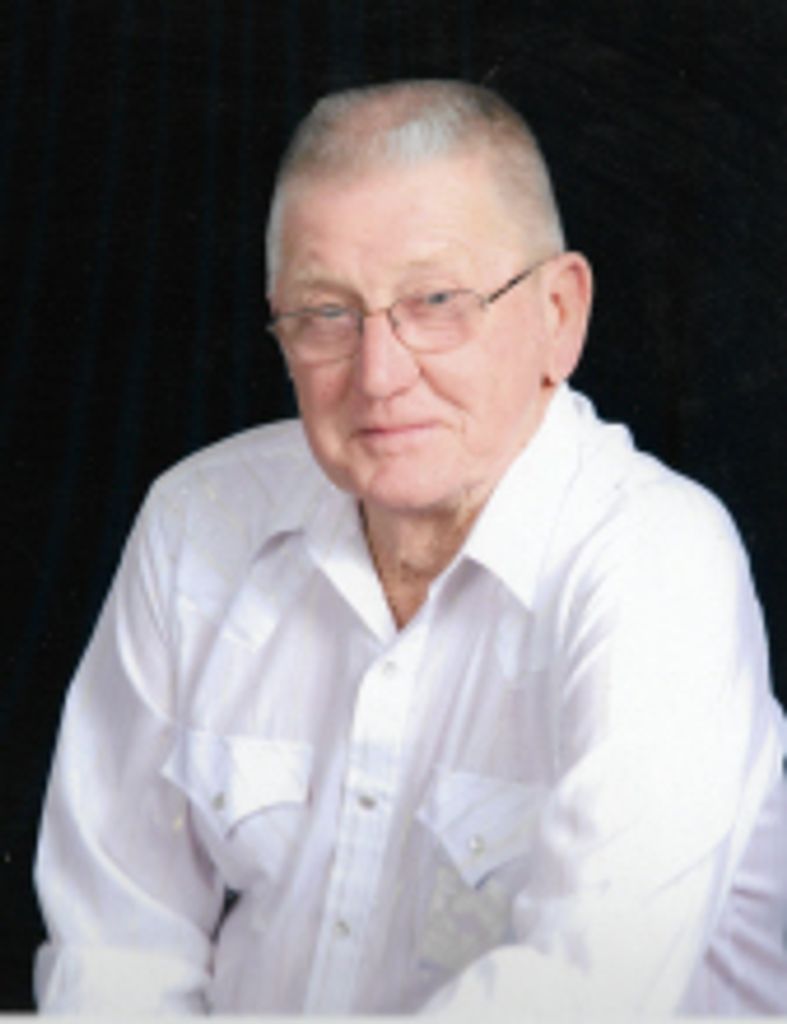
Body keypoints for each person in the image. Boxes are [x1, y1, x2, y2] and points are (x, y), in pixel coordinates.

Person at [34, 79, 786, 1016]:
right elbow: (114, 948)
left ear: (559, 313)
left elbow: (577, 996)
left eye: (435, 300)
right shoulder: (199, 520)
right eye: (325, 313)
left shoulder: (657, 561)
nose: (379, 375)